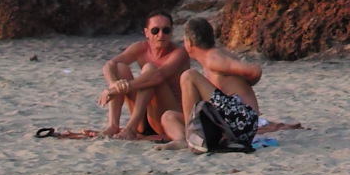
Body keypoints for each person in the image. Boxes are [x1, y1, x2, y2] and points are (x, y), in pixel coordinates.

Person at [175, 17, 267, 153]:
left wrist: (246, 86)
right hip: (234, 122)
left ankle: (193, 138)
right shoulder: (211, 58)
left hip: (243, 121)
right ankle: (190, 138)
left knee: (188, 76)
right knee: (169, 116)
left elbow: (255, 70)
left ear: (188, 42)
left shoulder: (214, 59)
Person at [100, 14, 188, 141]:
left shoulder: (179, 53)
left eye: (166, 30)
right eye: (155, 30)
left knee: (149, 70)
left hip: (167, 119)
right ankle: (113, 125)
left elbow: (158, 75)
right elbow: (109, 65)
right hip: (143, 117)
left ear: (172, 32)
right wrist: (113, 83)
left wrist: (118, 89)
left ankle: (131, 128)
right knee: (120, 68)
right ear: (146, 33)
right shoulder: (141, 47)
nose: (161, 35)